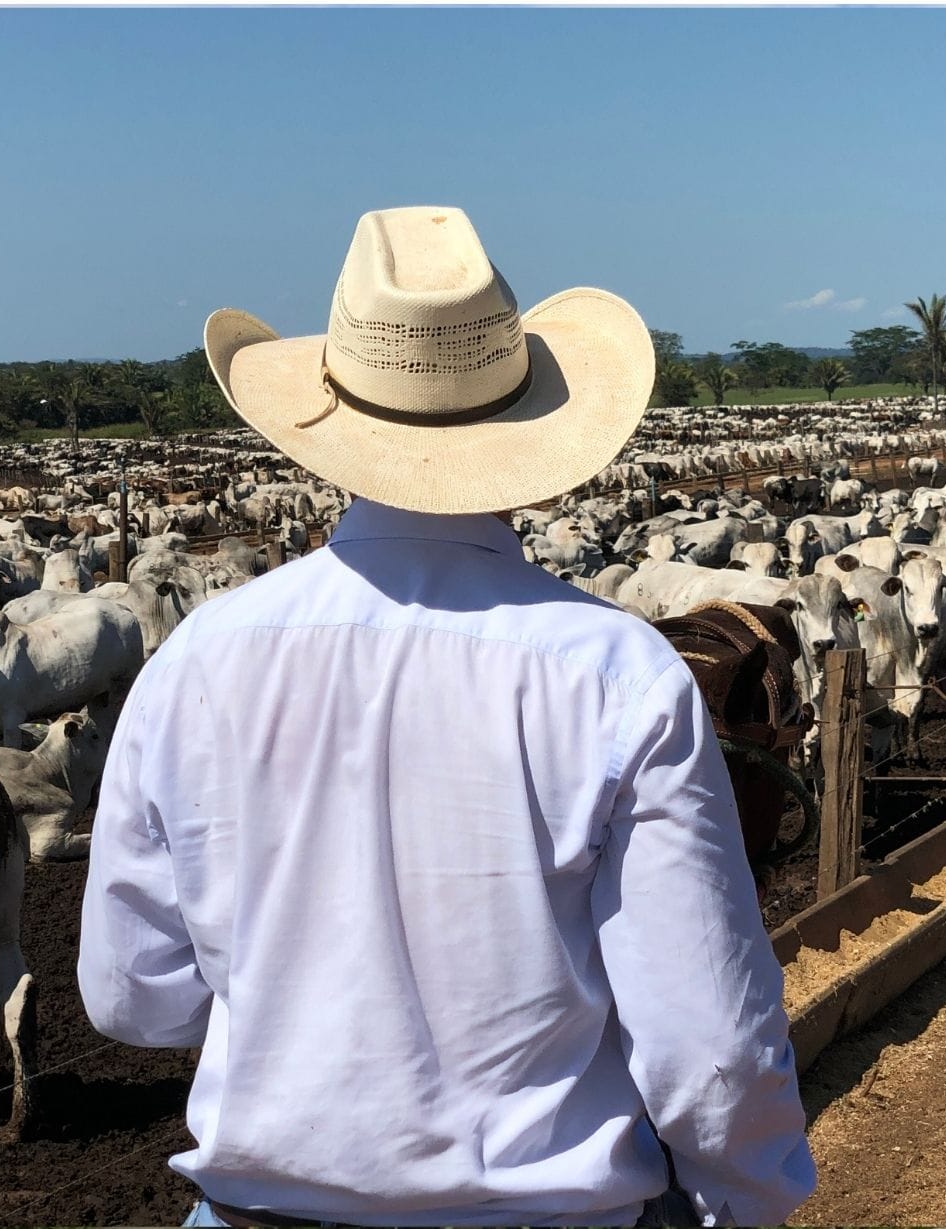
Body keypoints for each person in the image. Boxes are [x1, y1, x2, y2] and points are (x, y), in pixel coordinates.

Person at [78, 208, 815, 1228]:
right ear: (528, 420)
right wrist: (745, 1199)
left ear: (327, 412)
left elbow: (132, 994)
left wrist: (303, 999)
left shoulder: (196, 660)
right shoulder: (618, 674)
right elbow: (711, 1041)